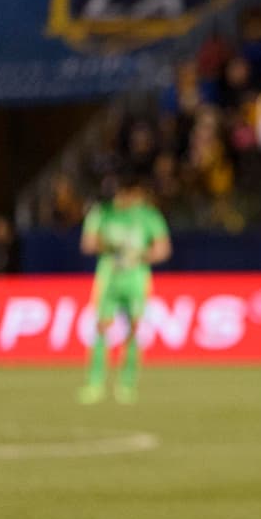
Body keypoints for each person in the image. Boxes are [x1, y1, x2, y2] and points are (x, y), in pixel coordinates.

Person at [78, 173, 172, 404]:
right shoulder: (102, 213)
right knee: (100, 329)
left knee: (133, 330)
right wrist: (110, 246)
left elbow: (163, 249)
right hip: (109, 277)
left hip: (136, 280)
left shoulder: (148, 216)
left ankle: (126, 383)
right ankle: (95, 383)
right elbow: (88, 243)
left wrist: (140, 255)